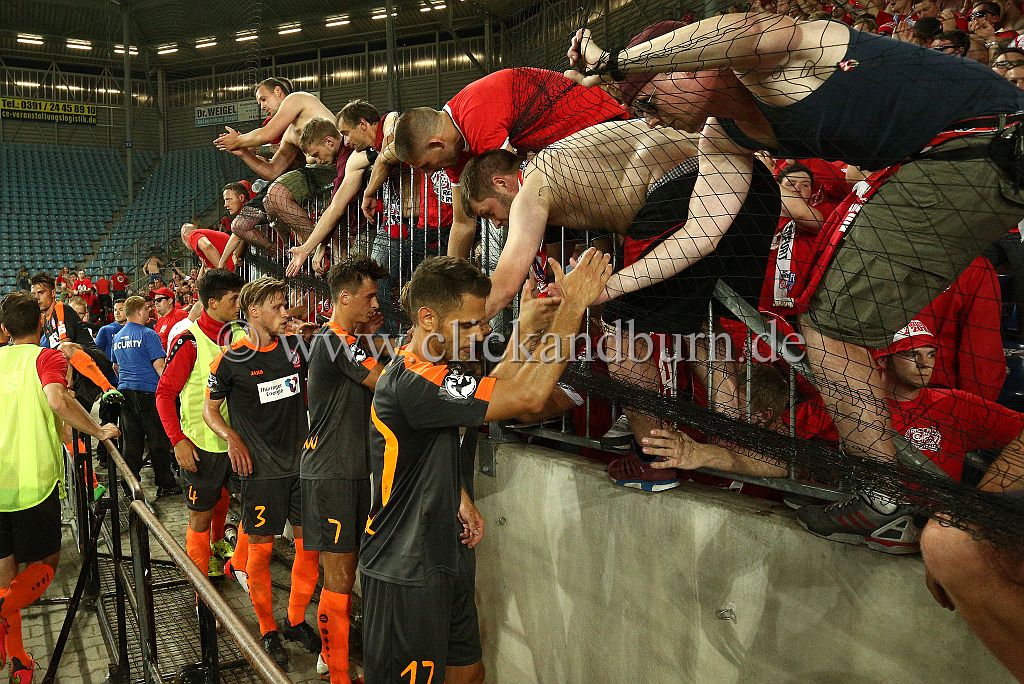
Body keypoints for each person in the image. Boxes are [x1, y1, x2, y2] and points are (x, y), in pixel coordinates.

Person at [566, 16, 1024, 514]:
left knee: (831, 325)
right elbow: (699, 234)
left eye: (648, 102)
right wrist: (603, 290)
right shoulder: (724, 133)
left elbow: (740, 30)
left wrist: (616, 61)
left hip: (983, 140)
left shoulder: (775, 63)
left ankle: (881, 497)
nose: (649, 121)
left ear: (687, 68)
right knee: (831, 322)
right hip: (957, 160)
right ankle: (887, 494)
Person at [461, 120, 779, 490]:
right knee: (702, 325)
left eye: (488, 213)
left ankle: (653, 459)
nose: (497, 225)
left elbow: (503, 286)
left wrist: (444, 330)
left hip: (687, 187)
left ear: (501, 183)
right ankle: (733, 447)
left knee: (620, 328)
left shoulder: (530, 188)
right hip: (750, 183)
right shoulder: (569, 166)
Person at [359, 252, 610, 683]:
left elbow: (500, 389)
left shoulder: (433, 369)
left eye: (483, 321)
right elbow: (528, 396)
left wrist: (526, 330)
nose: (482, 332)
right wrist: (572, 308)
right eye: (472, 323)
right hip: (405, 567)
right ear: (428, 318)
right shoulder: (414, 382)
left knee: (469, 674)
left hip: (445, 551)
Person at [376, 67, 628, 259]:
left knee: (603, 238)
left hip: (601, 130)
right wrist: (451, 277)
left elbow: (518, 197)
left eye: (425, 166)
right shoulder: (455, 151)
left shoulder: (476, 121)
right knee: (552, 250)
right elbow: (463, 222)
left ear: (436, 144)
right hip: (568, 152)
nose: (430, 173)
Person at [0, 292, 119, 682]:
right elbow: (57, 402)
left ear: (4, 328)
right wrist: (98, 430)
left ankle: (19, 661)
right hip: (32, 483)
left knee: (5, 580)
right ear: (41, 323)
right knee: (44, 568)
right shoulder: (46, 358)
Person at [203, 277, 321, 670]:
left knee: (309, 548)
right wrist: (231, 438)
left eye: (285, 305)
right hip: (261, 472)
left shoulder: (295, 348)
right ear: (253, 312)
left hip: (301, 467)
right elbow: (209, 410)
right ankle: (268, 629)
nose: (285, 312)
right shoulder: (230, 360)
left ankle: (294, 620)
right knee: (262, 552)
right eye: (277, 306)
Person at [301, 256, 388, 682]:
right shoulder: (335, 340)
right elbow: (387, 382)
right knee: (340, 576)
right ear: (345, 297)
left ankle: (329, 654)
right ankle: (338, 671)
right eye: (369, 296)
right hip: (332, 472)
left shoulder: (348, 341)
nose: (376, 304)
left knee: (344, 574)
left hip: (347, 470)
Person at [156, 270, 249, 585]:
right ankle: (201, 588)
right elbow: (164, 394)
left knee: (227, 499)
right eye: (234, 299)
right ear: (212, 303)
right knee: (200, 514)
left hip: (235, 442)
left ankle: (218, 542)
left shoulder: (241, 333)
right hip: (200, 445)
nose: (239, 305)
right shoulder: (189, 341)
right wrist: (178, 441)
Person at [214, 77, 337, 245]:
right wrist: (243, 153)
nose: (262, 106)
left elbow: (267, 133)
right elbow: (272, 171)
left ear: (278, 91)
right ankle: (314, 247)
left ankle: (315, 245)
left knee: (277, 193)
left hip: (339, 163)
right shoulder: (291, 133)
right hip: (318, 173)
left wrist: (238, 140)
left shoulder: (297, 98)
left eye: (264, 99)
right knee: (272, 200)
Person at [286, 115, 371, 277]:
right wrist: (321, 244)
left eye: (317, 154)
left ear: (329, 142)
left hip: (371, 227)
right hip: (364, 227)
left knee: (357, 278)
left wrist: (308, 248)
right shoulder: (342, 158)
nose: (318, 161)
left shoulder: (347, 158)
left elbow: (335, 208)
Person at [112, 296, 179, 497]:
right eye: (147, 309)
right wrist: (173, 391)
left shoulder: (118, 337)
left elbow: (115, 367)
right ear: (140, 312)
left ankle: (130, 485)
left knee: (131, 442)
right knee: (157, 440)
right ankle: (165, 483)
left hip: (125, 392)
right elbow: (160, 367)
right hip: (149, 392)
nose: (150, 312)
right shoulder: (149, 335)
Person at [152, 287, 188, 351]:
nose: (156, 303)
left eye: (159, 300)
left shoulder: (180, 315)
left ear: (170, 301)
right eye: (154, 300)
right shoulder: (160, 321)